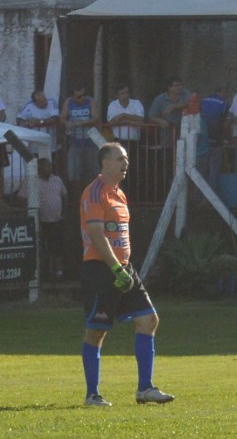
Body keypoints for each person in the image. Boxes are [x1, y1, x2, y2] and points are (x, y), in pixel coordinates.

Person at [80, 142, 174, 406]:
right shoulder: (95, 192)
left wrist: (124, 268)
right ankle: (92, 395)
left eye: (127, 159)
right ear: (105, 163)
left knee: (149, 320)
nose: (126, 163)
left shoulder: (119, 194)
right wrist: (115, 269)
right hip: (101, 270)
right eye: (120, 158)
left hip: (124, 268)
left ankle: (145, 389)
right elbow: (97, 235)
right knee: (96, 332)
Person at [18, 158, 67, 279]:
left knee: (57, 247)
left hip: (56, 220)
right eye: (45, 166)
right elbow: (21, 199)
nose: (48, 168)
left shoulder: (57, 180)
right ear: (39, 168)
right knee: (40, 248)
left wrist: (64, 212)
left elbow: (64, 195)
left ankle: (58, 273)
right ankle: (41, 273)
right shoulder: (30, 181)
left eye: (50, 166)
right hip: (40, 222)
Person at [61, 85, 100, 200]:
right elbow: (62, 117)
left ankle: (93, 197)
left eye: (84, 95)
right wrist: (66, 123)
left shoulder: (90, 101)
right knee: (74, 172)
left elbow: (96, 117)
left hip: (91, 142)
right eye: (79, 96)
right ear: (72, 96)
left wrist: (79, 124)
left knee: (92, 171)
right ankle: (79, 199)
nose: (82, 98)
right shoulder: (68, 102)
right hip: (75, 142)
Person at [107, 84, 144, 199]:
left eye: (127, 93)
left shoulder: (136, 103)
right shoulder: (113, 105)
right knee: (119, 169)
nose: (126, 96)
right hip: (119, 142)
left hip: (134, 141)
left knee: (134, 168)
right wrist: (132, 120)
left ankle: (133, 196)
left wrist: (123, 116)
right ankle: (119, 195)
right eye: (123, 93)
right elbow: (112, 121)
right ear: (117, 95)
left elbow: (141, 120)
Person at [199, 85, 229, 196]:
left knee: (201, 170)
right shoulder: (224, 104)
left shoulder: (203, 101)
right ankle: (211, 197)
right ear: (223, 92)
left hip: (202, 141)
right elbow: (225, 123)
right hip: (216, 140)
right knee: (214, 170)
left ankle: (199, 196)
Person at [17, 90, 60, 156]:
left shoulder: (52, 102)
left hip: (50, 143)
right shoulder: (28, 105)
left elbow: (54, 119)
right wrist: (25, 125)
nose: (45, 103)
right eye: (41, 102)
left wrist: (39, 122)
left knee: (50, 164)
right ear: (35, 103)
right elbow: (19, 119)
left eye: (45, 99)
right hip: (33, 145)